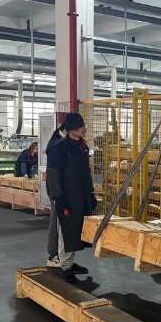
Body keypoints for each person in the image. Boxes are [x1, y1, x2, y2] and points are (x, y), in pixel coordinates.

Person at [47, 113, 97, 282]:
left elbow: (86, 173)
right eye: (81, 126)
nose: (84, 129)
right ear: (71, 128)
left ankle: (69, 262)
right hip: (66, 196)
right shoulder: (59, 147)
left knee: (76, 230)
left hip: (81, 196)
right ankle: (66, 267)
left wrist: (91, 193)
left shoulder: (82, 147)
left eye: (84, 125)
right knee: (66, 231)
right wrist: (58, 198)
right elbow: (53, 174)